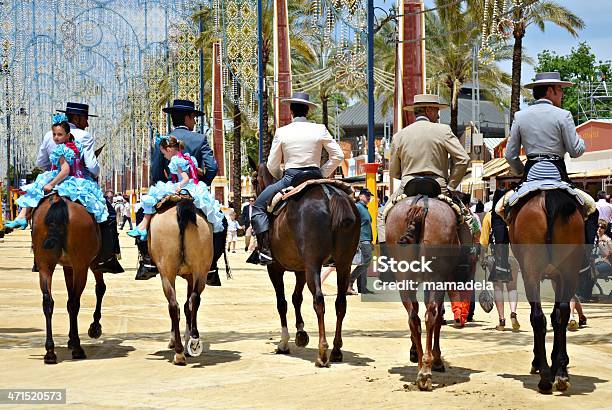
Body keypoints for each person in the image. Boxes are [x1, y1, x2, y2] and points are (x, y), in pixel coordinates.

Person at [505, 72, 596, 274]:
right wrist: (582, 142)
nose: (562, 94)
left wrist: (522, 173)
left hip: (531, 175)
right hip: (557, 176)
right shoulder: (563, 115)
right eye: (560, 89)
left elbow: (510, 155)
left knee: (500, 210)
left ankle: (502, 263)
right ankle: (586, 260)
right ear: (550, 90)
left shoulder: (520, 116)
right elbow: (575, 150)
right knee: (591, 208)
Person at [250, 92, 344, 265]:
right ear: (307, 111)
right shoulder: (320, 129)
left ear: (291, 111)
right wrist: (322, 173)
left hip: (290, 178)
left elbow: (272, 164)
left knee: (258, 208)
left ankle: (264, 250)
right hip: (316, 176)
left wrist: (281, 179)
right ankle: (351, 247)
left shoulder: (282, 132)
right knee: (345, 201)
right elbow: (338, 155)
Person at [137, 99, 226, 281]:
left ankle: (147, 261)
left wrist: (165, 186)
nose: (194, 122)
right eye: (194, 117)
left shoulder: (163, 141)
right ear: (187, 117)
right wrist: (202, 182)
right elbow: (212, 167)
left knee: (141, 214)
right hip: (194, 189)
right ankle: (212, 266)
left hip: (170, 188)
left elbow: (155, 172)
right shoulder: (200, 139)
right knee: (220, 221)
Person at [32, 102, 122, 273]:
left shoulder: (48, 135)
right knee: (109, 215)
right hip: (78, 183)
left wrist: (54, 173)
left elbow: (40, 163)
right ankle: (106, 256)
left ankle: (38, 256)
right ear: (77, 118)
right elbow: (93, 167)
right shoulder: (84, 136)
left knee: (35, 211)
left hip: (54, 183)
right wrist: (90, 171)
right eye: (85, 119)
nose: (87, 123)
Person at [378, 94, 470, 242]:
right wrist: (451, 185)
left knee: (382, 214)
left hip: (408, 185)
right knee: (465, 218)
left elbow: (394, 171)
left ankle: (385, 255)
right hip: (438, 186)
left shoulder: (400, 135)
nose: (438, 115)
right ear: (428, 110)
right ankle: (467, 256)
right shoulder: (443, 130)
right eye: (436, 110)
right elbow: (463, 159)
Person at [6, 113, 108, 228]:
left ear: (68, 135)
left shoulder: (59, 149)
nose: (55, 137)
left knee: (35, 189)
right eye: (54, 134)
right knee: (101, 208)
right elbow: (88, 165)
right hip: (80, 179)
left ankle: (23, 216)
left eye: (59, 135)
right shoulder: (77, 146)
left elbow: (64, 170)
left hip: (62, 177)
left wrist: (51, 183)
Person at [128, 136, 224, 240]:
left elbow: (185, 178)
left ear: (169, 150)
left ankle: (143, 226)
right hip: (195, 186)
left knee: (153, 196)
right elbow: (198, 171)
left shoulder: (175, 161)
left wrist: (178, 186)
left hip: (183, 184)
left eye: (164, 154)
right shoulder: (188, 158)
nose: (164, 157)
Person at [480, 191, 520, 332]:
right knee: (512, 287)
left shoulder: (489, 216)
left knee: (498, 288)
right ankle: (513, 313)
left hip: (495, 256)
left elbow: (484, 241)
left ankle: (502, 320)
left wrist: (482, 256)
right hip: (512, 256)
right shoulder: (515, 215)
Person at [348, 189, 375, 295]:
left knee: (364, 262)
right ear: (360, 196)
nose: (369, 198)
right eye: (367, 195)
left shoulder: (364, 208)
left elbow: (366, 225)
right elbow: (354, 224)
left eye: (369, 196)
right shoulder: (358, 207)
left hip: (367, 239)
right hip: (362, 239)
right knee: (367, 261)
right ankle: (349, 281)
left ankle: (362, 287)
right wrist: (357, 240)